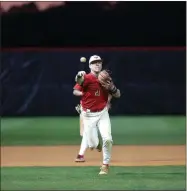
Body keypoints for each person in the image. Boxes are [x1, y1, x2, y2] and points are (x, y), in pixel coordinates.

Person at [73, 55, 120, 175]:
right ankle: (96, 144)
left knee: (108, 139)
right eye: (94, 62)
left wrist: (112, 88)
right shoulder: (86, 78)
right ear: (90, 65)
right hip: (88, 115)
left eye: (99, 62)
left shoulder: (105, 78)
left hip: (102, 113)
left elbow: (118, 94)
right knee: (93, 144)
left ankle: (105, 165)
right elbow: (76, 87)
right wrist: (79, 76)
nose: (97, 64)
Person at [74, 94, 112, 162]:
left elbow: (109, 94)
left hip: (92, 112)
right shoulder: (90, 86)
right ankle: (91, 145)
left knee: (86, 133)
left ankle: (83, 152)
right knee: (85, 133)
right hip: (87, 112)